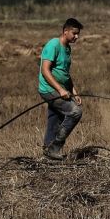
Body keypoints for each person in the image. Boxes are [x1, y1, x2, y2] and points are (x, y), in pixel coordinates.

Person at [38, 18, 83, 160]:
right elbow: (45, 70)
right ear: (65, 32)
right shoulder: (53, 45)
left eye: (78, 34)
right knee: (75, 112)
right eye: (74, 33)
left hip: (61, 90)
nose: (77, 37)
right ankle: (55, 147)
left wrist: (74, 92)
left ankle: (48, 150)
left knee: (55, 117)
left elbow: (64, 73)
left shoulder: (67, 48)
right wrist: (60, 90)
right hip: (48, 89)